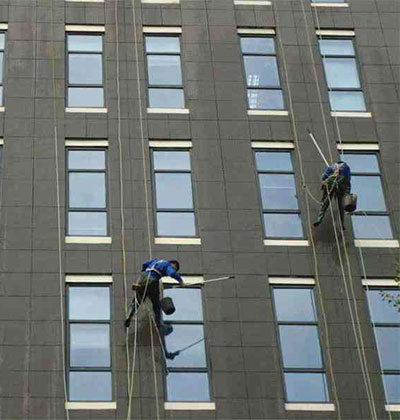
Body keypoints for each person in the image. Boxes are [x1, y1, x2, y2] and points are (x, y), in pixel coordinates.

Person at [124, 258, 183, 330]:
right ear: (173, 264)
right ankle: (159, 325)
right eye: (175, 268)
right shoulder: (167, 265)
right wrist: (180, 281)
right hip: (152, 280)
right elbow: (172, 273)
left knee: (137, 301)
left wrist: (144, 272)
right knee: (156, 305)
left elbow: (144, 264)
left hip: (143, 278)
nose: (174, 269)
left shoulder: (156, 261)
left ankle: (129, 316)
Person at [313, 160, 351, 228]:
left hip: (338, 187)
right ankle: (341, 224)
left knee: (329, 204)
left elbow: (324, 177)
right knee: (337, 205)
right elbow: (348, 180)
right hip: (336, 187)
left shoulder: (334, 168)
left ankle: (320, 219)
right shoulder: (343, 168)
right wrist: (348, 191)